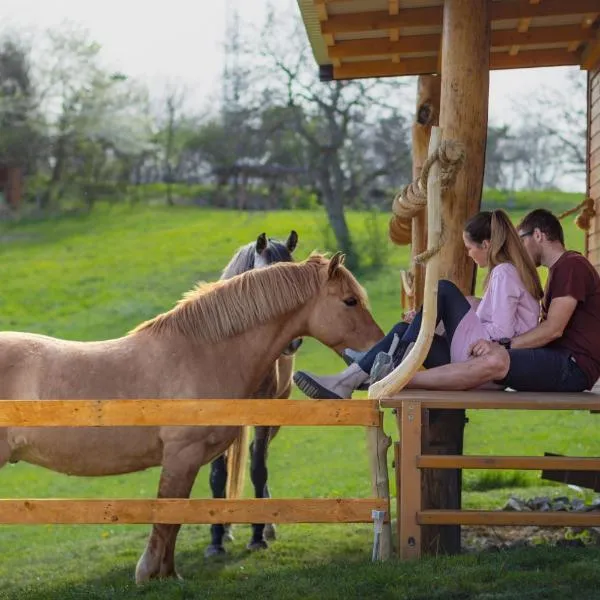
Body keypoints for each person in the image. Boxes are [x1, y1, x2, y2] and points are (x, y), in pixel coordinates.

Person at [294, 209, 543, 399]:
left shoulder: (504, 273)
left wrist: (436, 320)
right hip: (480, 357)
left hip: (488, 363)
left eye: (469, 248)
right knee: (405, 329)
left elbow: (501, 334)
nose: (468, 254)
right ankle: (347, 380)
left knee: (443, 289)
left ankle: (379, 363)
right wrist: (429, 320)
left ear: (486, 245)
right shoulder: (508, 272)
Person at [389, 208, 600, 394]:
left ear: (538, 235)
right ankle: (391, 372)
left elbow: (554, 329)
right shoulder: (558, 271)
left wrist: (503, 345)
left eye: (521, 239)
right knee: (488, 350)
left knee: (496, 358)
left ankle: (404, 379)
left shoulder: (571, 265)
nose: (519, 247)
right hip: (556, 359)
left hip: (574, 366)